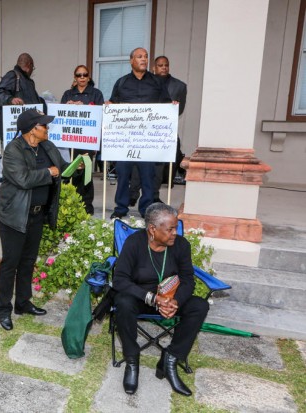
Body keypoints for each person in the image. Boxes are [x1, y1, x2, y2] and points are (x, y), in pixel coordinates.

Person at [112, 203, 208, 396]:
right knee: (123, 302)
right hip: (141, 299)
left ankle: (170, 359)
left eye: (175, 228)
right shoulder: (134, 243)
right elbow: (119, 279)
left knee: (199, 305)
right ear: (152, 229)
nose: (175, 233)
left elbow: (188, 280)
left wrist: (176, 302)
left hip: (170, 299)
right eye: (170, 229)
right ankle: (132, 361)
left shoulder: (181, 245)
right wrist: (153, 298)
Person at [0, 109, 67, 331]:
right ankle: (3, 309)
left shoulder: (47, 146)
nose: (47, 128)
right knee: (11, 263)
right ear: (32, 130)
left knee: (28, 261)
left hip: (37, 214)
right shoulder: (13, 150)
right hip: (14, 216)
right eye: (44, 125)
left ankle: (23, 303)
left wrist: (77, 166)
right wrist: (49, 172)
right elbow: (23, 179)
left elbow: (61, 167)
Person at [107, 47, 172, 219]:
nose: (144, 59)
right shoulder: (121, 82)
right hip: (125, 139)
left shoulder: (157, 82)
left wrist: (172, 106)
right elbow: (113, 104)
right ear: (131, 61)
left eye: (146, 56)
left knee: (148, 176)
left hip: (147, 139)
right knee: (122, 174)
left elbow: (166, 105)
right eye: (139, 56)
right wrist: (109, 106)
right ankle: (121, 208)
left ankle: (146, 209)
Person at [129, 55, 187, 205]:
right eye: (160, 65)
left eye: (166, 65)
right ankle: (133, 193)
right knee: (138, 161)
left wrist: (171, 107)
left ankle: (154, 195)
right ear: (154, 68)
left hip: (163, 131)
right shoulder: (144, 82)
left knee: (159, 165)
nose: (164, 68)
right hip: (142, 130)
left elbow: (179, 110)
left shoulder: (179, 86)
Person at [60, 64, 104, 214]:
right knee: (71, 170)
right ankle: (71, 202)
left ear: (89, 77)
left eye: (85, 74)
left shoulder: (96, 93)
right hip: (72, 139)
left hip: (88, 140)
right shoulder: (68, 94)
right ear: (75, 77)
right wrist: (68, 106)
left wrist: (84, 106)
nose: (82, 77)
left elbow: (100, 114)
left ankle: (86, 205)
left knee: (86, 172)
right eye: (79, 75)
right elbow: (61, 114)